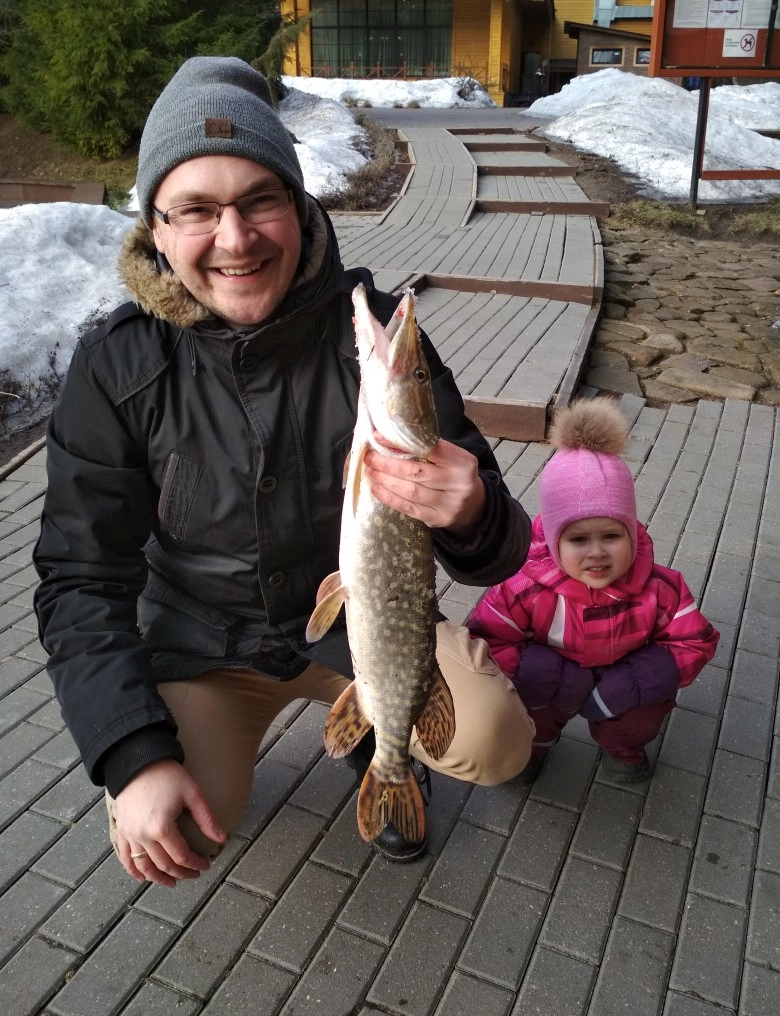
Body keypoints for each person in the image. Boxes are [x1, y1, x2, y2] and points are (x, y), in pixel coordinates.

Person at [32, 56, 535, 888]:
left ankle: (382, 735)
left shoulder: (371, 340)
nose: (235, 239)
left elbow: (501, 551)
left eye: (260, 200)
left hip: (355, 630)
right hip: (202, 644)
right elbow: (79, 579)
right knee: (172, 835)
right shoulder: (116, 366)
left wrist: (474, 507)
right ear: (156, 228)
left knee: (494, 741)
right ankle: (227, 749)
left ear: (299, 210)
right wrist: (130, 752)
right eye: (196, 210)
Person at [467, 397, 719, 784]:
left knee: (641, 712)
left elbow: (695, 642)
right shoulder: (524, 588)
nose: (597, 552)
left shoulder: (660, 589)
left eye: (612, 535)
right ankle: (531, 744)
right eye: (579, 538)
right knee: (529, 706)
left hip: (624, 675)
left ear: (632, 533)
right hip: (551, 678)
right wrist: (534, 672)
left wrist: (641, 678)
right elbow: (484, 642)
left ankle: (622, 745)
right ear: (553, 541)